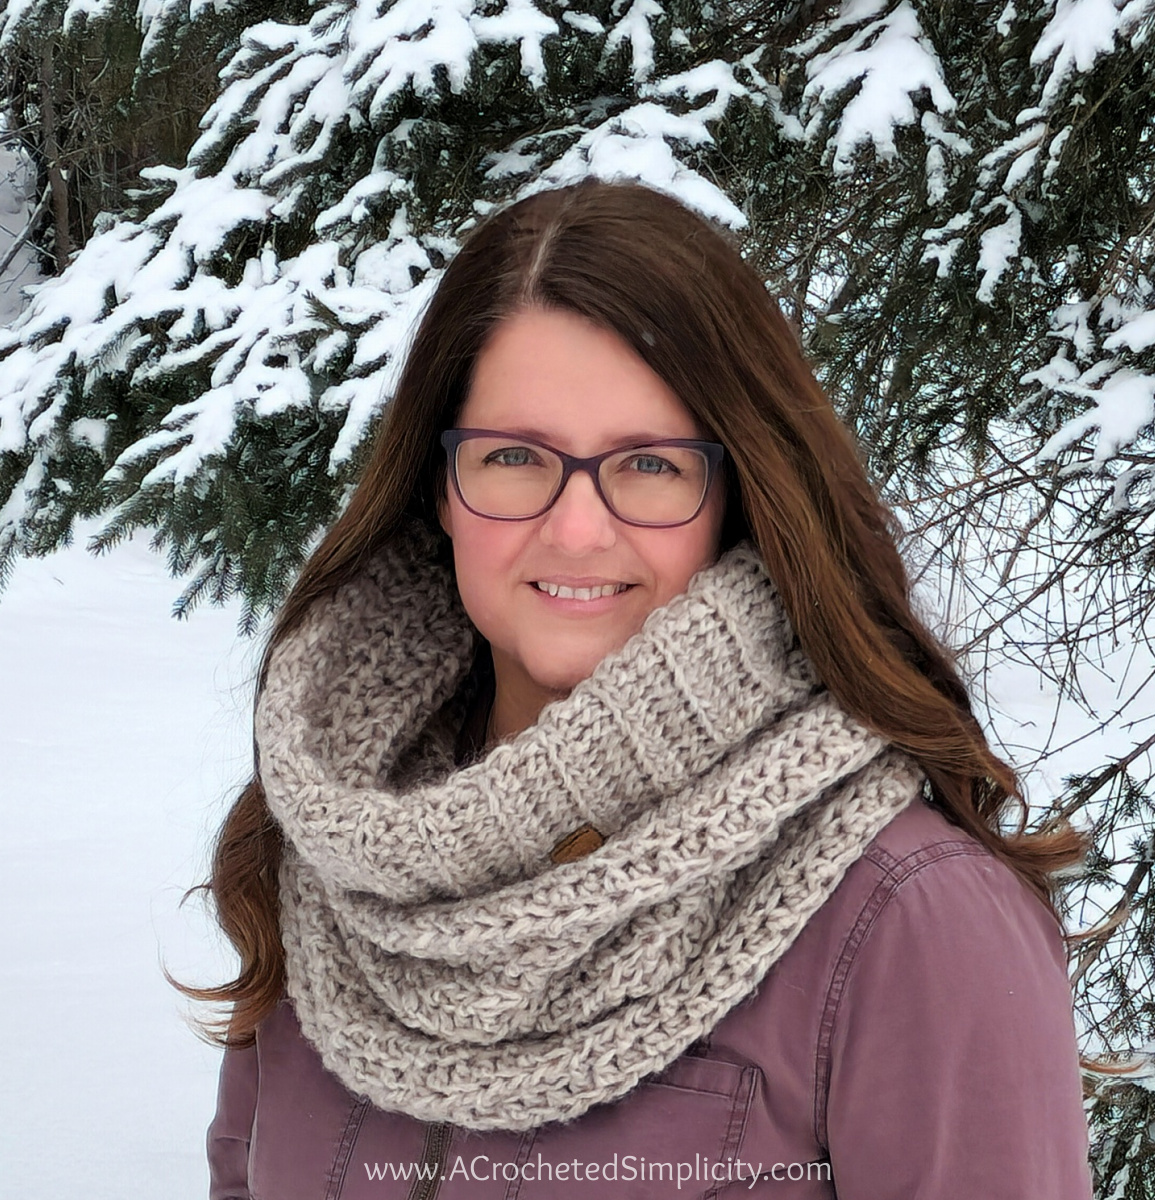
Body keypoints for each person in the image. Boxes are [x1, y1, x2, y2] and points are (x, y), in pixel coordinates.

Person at [177, 178, 1104, 1199]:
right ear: (442, 486)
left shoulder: (907, 918)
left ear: (739, 493)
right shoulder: (328, 850)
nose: (576, 529)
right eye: (516, 456)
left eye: (652, 467)